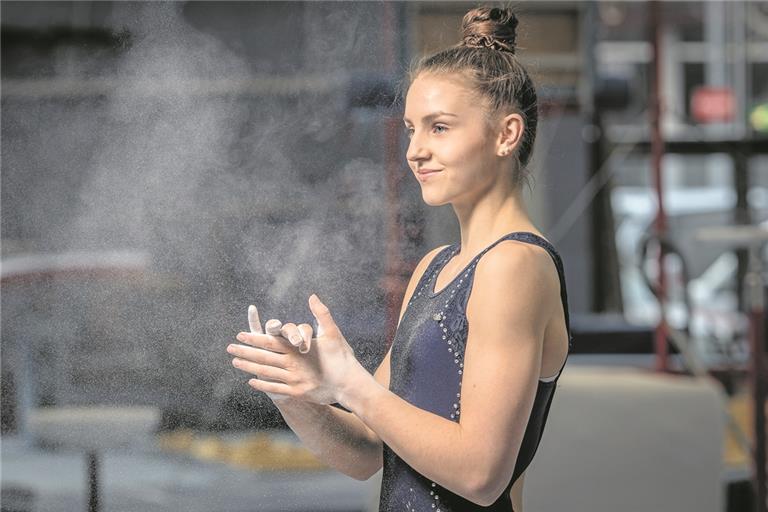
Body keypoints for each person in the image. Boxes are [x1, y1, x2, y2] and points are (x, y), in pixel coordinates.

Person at [226, 6, 573, 511]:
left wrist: (351, 384)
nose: (414, 150)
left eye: (439, 128)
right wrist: (298, 390)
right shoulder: (435, 267)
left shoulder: (514, 266)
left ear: (507, 134)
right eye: (412, 128)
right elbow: (368, 451)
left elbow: (480, 474)